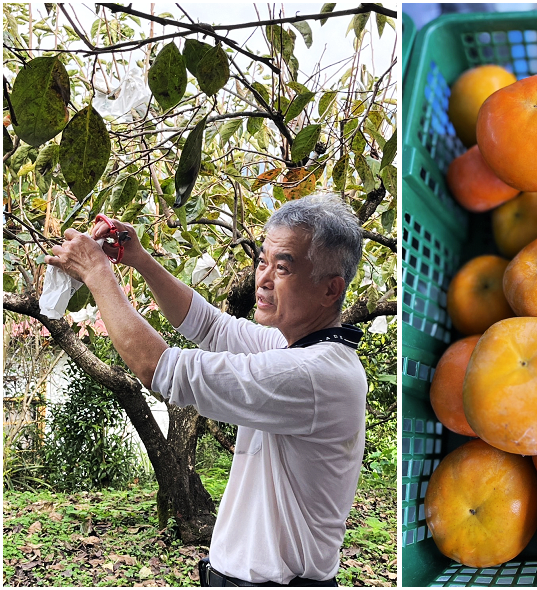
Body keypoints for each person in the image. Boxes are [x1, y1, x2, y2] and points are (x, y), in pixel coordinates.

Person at [45, 193, 368, 586]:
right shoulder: (296, 347)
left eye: (282, 268)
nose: (263, 279)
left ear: (331, 290)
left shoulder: (312, 374)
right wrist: (140, 259)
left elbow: (157, 368)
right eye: (262, 261)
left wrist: (97, 273)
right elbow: (210, 326)